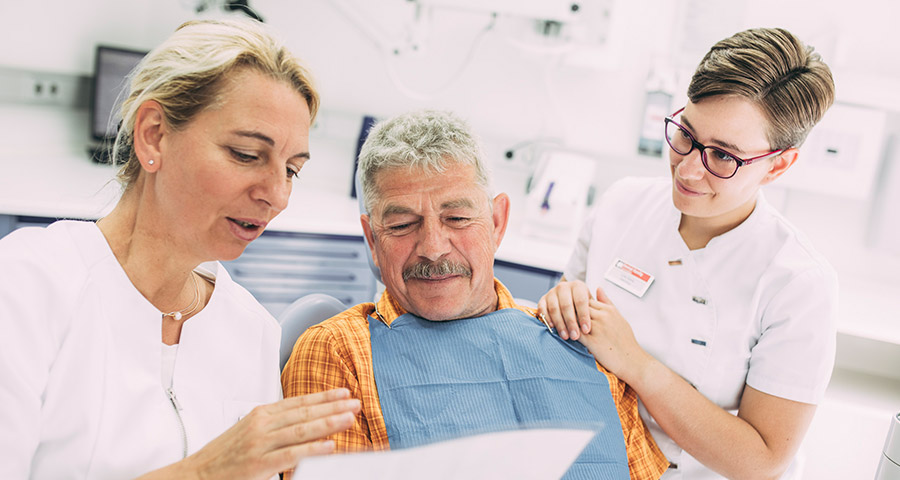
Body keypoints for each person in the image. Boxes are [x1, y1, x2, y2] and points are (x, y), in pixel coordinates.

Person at [0, 19, 361, 479]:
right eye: (247, 155)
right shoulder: (24, 286)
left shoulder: (252, 330)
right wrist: (205, 472)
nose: (277, 194)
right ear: (154, 134)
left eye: (291, 169)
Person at [281, 110, 669, 479]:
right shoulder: (338, 353)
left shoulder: (580, 342)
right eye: (401, 224)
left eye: (457, 218)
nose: (433, 248)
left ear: (497, 222)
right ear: (371, 238)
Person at [538, 27, 837, 479]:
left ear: (778, 165)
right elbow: (564, 320)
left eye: (723, 157)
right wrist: (559, 306)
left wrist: (635, 363)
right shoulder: (622, 203)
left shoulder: (797, 283)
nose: (689, 169)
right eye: (685, 134)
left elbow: (761, 461)